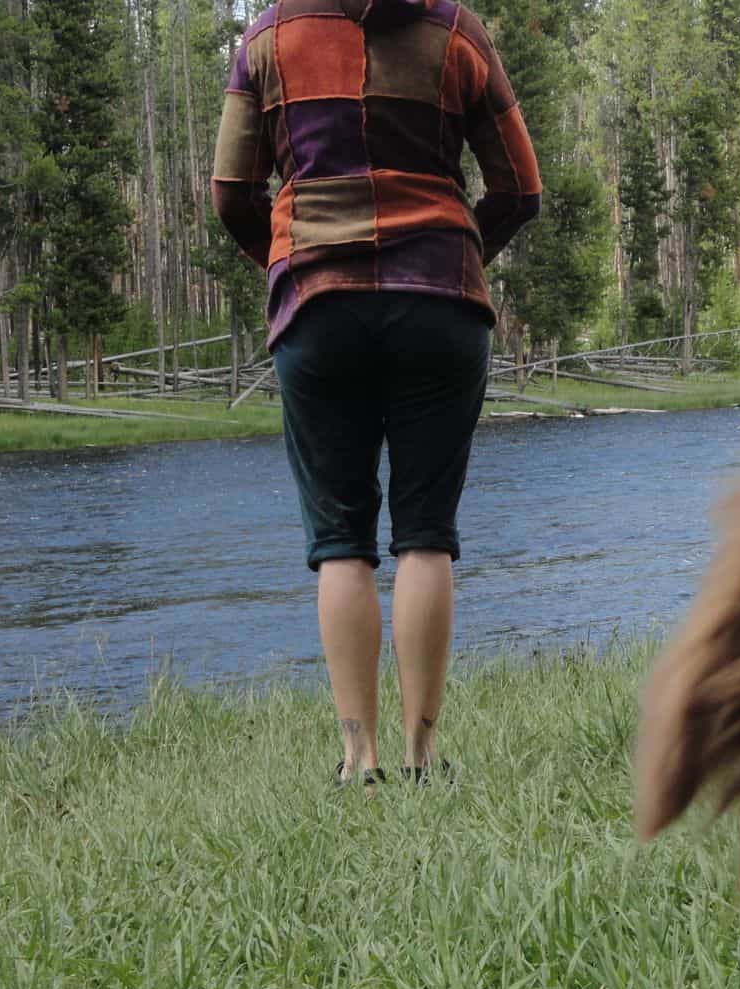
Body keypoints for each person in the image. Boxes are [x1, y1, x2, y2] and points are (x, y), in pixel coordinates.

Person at [211, 0, 540, 785]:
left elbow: (231, 192)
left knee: (341, 539)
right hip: (441, 306)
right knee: (426, 532)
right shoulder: (455, 30)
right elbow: (519, 188)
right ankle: (424, 757)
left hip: (320, 311)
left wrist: (296, 266)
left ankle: (360, 761)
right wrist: (454, 255)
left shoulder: (269, 36)